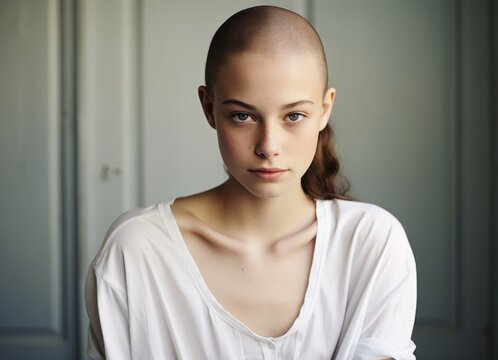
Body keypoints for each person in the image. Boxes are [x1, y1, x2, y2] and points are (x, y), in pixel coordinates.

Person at [85, 5, 416, 360]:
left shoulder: (371, 245)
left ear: (325, 109)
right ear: (209, 108)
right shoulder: (137, 252)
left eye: (294, 116)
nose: (268, 146)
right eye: (242, 116)